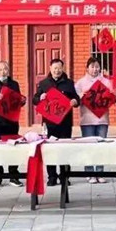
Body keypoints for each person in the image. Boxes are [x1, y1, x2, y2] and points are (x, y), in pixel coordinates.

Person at [33, 58, 80, 187]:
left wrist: (75, 101)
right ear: (50, 68)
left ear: (62, 68)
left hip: (65, 122)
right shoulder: (44, 83)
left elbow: (76, 98)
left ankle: (65, 176)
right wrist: (40, 97)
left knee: (65, 149)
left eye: (59, 68)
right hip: (49, 123)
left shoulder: (69, 83)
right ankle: (52, 176)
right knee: (50, 150)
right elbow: (35, 99)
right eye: (55, 68)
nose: (57, 70)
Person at [0, 61, 25, 187]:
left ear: (8, 71)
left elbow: (18, 100)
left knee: (13, 148)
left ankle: (13, 175)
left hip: (12, 121)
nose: (3, 72)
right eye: (0, 69)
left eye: (5, 69)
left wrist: (22, 100)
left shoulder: (14, 84)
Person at [75, 57, 113, 183]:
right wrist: (81, 96)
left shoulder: (106, 82)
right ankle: (90, 172)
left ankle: (100, 172)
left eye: (97, 66)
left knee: (101, 147)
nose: (95, 69)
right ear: (87, 68)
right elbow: (76, 98)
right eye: (92, 66)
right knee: (88, 147)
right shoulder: (80, 83)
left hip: (102, 119)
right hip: (87, 119)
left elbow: (111, 97)